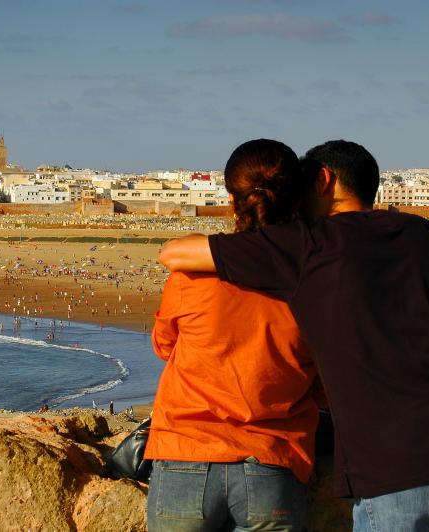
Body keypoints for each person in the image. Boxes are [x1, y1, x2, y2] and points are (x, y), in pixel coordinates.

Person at [159, 140, 429, 531]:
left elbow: (176, 254)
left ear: (323, 180)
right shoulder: (422, 234)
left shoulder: (309, 245)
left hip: (396, 463)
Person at [145, 139, 322, 531]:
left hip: (185, 452)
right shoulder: (314, 281)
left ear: (230, 199)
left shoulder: (190, 275)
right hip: (274, 458)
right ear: (297, 198)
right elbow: (322, 374)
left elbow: (164, 346)